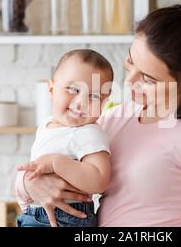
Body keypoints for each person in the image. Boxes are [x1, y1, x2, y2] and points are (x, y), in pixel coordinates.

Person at [14, 3, 181, 227]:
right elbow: (46, 163)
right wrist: (30, 184)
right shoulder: (117, 116)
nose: (129, 82)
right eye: (130, 63)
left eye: (148, 79)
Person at [14, 49, 114, 227]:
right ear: (51, 89)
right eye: (74, 89)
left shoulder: (88, 132)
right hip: (37, 214)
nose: (81, 102)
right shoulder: (46, 126)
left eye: (94, 96)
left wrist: (56, 163)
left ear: (105, 101)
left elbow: (99, 180)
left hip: (66, 219)